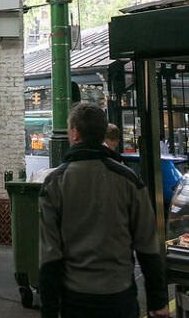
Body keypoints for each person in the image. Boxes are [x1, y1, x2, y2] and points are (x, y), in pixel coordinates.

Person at [39, 102, 169, 318]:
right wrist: (158, 301)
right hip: (120, 297)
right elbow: (147, 244)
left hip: (76, 299)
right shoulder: (129, 180)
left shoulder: (54, 184)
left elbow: (50, 255)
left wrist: (50, 311)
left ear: (75, 133)